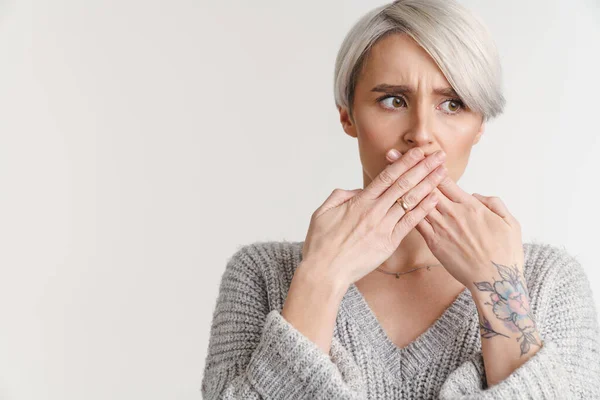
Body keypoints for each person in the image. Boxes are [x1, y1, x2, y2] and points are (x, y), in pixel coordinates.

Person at [200, 0, 600, 398]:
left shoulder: (548, 283)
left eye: (452, 104)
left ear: (479, 125)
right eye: (394, 100)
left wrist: (498, 287)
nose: (421, 134)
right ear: (347, 114)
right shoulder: (262, 275)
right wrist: (320, 279)